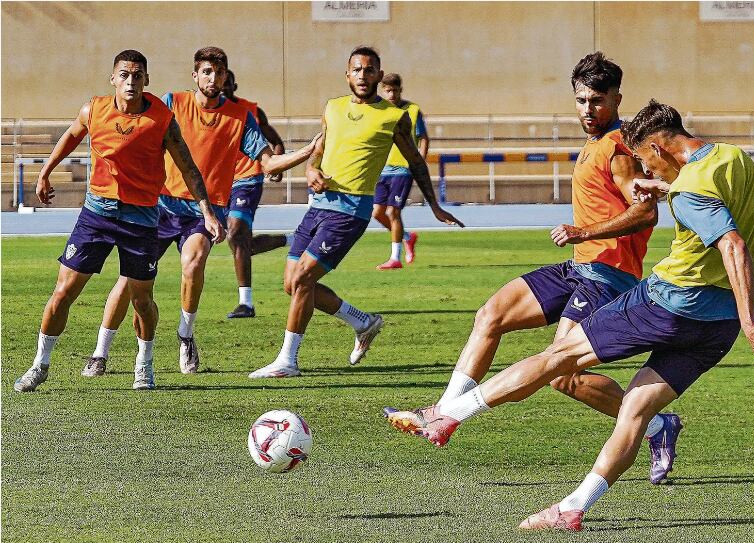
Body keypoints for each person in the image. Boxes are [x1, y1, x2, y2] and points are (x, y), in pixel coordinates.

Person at [385, 99, 754, 531]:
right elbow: (712, 197)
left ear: (657, 148)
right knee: (636, 409)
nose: (646, 171)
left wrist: (751, 321)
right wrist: (663, 190)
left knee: (560, 357)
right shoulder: (735, 158)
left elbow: (732, 243)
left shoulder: (687, 193)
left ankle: (449, 415)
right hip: (714, 329)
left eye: (646, 162)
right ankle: (572, 507)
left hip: (668, 304)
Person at [387, 52, 681, 481]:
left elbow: (646, 215)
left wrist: (584, 232)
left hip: (607, 275)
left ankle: (657, 425)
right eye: (581, 100)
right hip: (579, 266)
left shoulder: (619, 150)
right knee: (491, 315)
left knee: (562, 376)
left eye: (597, 100)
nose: (588, 110)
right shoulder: (594, 143)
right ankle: (441, 413)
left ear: (617, 98)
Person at [81, 47, 318, 381]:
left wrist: (307, 151)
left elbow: (268, 164)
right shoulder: (171, 103)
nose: (213, 78)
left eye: (219, 73)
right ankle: (100, 351)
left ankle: (185, 334)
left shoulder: (241, 116)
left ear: (226, 77)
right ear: (195, 75)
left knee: (193, 262)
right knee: (128, 280)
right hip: (158, 205)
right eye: (206, 72)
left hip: (204, 210)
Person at [249, 46, 464, 379]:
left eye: (370, 70)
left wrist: (434, 204)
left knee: (304, 278)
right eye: (357, 70)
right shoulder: (332, 108)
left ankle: (287, 361)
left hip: (350, 211)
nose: (363, 75)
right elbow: (318, 152)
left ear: (378, 74)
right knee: (292, 284)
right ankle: (362, 321)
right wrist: (311, 171)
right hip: (317, 206)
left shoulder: (393, 116)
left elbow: (416, 162)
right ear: (347, 74)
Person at [14, 49, 220, 392]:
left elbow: (187, 166)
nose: (131, 82)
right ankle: (40, 365)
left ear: (147, 81)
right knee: (63, 292)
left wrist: (208, 211)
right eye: (124, 75)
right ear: (113, 79)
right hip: (97, 213)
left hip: (140, 218)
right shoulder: (93, 109)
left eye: (138, 75)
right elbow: (70, 135)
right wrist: (45, 173)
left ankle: (144, 364)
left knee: (141, 299)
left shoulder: (161, 119)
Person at [222, 69, 293, 318]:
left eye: (227, 83)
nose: (222, 86)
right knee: (240, 243)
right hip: (218, 182)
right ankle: (288, 240)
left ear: (234, 85)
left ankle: (246, 303)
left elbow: (275, 140)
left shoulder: (250, 110)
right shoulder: (203, 112)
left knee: (236, 231)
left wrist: (276, 164)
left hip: (248, 179)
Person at [372, 73, 427, 270]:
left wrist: (418, 162)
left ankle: (395, 258)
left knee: (392, 211)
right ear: (382, 91)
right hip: (382, 170)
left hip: (403, 169)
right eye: (387, 90)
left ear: (400, 90)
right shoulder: (379, 111)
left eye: (395, 90)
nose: (391, 94)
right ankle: (407, 237)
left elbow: (423, 138)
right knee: (377, 213)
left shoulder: (412, 110)